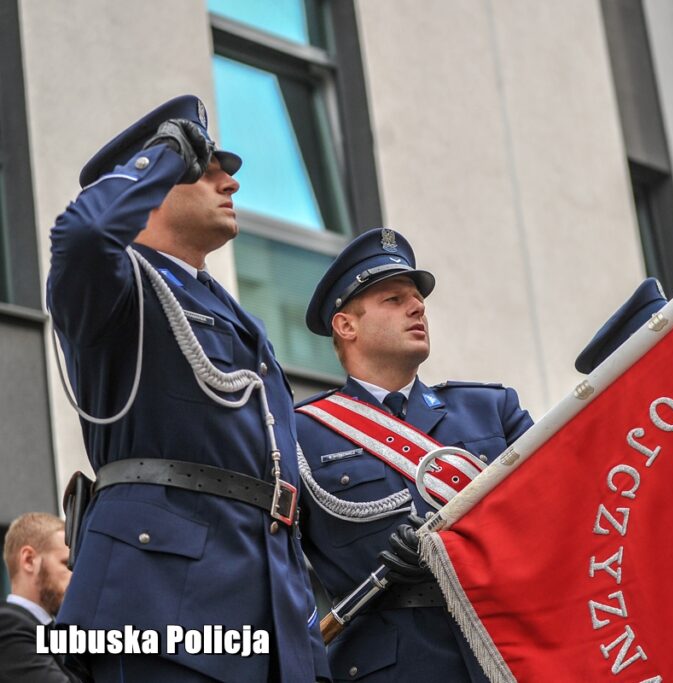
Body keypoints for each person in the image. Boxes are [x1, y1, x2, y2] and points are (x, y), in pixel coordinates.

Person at [48, 95, 328, 682]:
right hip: (161, 602)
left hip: (262, 616)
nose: (230, 181)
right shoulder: (117, 287)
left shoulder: (231, 312)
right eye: (206, 168)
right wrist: (166, 152)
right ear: (150, 188)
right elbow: (82, 234)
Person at [294, 228, 533, 681]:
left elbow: (554, 514)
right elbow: (278, 570)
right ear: (346, 326)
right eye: (393, 299)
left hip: (505, 658)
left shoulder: (491, 410)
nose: (417, 306)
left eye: (416, 298)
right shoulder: (302, 433)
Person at [0, 513, 80, 682]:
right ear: (29, 560)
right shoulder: (7, 625)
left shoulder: (50, 630)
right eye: (66, 563)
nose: (77, 577)